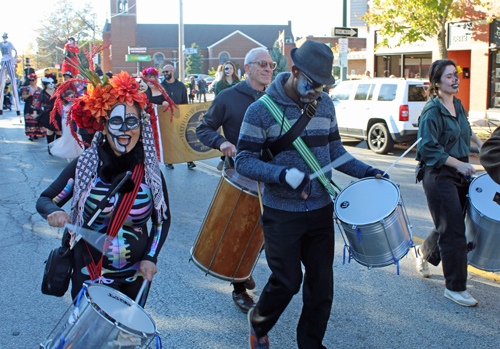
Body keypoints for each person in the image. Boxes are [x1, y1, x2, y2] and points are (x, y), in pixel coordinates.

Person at [235, 40, 387, 349]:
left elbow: (336, 153)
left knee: (321, 288)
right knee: (288, 281)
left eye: (322, 85)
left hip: (319, 210)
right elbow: (243, 160)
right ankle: (259, 321)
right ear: (294, 71)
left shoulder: (325, 105)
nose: (316, 90)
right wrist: (281, 174)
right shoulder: (260, 111)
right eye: (312, 83)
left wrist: (368, 172)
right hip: (281, 213)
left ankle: (311, 344)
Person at [36, 69, 171, 304]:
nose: (124, 129)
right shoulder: (84, 166)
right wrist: (54, 212)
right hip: (89, 270)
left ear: (141, 126)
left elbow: (162, 220)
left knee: (125, 336)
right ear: (105, 125)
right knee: (88, 336)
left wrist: (151, 257)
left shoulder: (151, 173)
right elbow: (46, 199)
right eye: (116, 121)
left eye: (131, 121)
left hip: (134, 275)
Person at [196, 47, 274, 313]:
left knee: (267, 234)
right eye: (262, 64)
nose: (268, 69)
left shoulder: (276, 98)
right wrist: (223, 143)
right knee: (240, 232)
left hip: (272, 177)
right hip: (241, 178)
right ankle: (239, 287)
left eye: (271, 65)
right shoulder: (228, 97)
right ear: (248, 68)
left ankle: (245, 267)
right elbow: (203, 128)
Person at [414, 59, 483, 307]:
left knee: (448, 222)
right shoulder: (432, 112)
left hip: (460, 171)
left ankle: (422, 253)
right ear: (437, 82)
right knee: (454, 231)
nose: (456, 79)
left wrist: (479, 144)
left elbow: (465, 127)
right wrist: (459, 164)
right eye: (450, 76)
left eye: (457, 75)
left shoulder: (457, 103)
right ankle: (455, 288)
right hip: (439, 173)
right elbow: (428, 149)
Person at [160, 64, 195, 169]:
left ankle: (189, 161)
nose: (165, 74)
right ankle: (169, 161)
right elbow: (158, 101)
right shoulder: (160, 86)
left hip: (179, 115)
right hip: (166, 116)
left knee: (184, 138)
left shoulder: (181, 85)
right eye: (164, 72)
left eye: (167, 71)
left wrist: (186, 113)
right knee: (169, 140)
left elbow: (185, 102)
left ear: (172, 72)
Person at [142, 67, 174, 161]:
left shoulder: (161, 91)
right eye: (148, 79)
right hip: (148, 123)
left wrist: (166, 103)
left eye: (153, 78)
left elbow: (170, 103)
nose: (151, 81)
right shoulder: (143, 92)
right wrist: (155, 105)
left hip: (161, 123)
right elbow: (142, 106)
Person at [48, 90, 83, 159]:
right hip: (66, 124)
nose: (70, 99)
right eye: (69, 97)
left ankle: (76, 153)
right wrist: (62, 127)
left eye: (72, 97)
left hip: (75, 123)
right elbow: (62, 117)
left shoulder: (77, 105)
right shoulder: (63, 106)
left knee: (75, 138)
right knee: (68, 138)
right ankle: (69, 154)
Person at [36, 74, 62, 154]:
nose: (51, 84)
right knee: (50, 130)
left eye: (52, 82)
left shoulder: (58, 91)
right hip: (47, 114)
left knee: (58, 131)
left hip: (57, 113)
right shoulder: (43, 93)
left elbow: (63, 100)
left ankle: (57, 148)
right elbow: (38, 103)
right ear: (45, 84)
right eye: (48, 83)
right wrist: (35, 112)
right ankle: (50, 148)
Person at [0, 33, 21, 116]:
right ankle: (1, 107)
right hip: (3, 61)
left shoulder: (10, 44)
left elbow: (15, 51)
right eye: (4, 37)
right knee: (1, 84)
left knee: (13, 83)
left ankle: (17, 108)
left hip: (9, 60)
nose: (5, 38)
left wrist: (14, 58)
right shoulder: (1, 44)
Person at [20, 73, 45, 141]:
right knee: (30, 121)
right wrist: (29, 95)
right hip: (29, 107)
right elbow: (22, 97)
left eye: (33, 80)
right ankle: (30, 134)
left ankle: (36, 133)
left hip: (38, 107)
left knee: (37, 120)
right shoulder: (26, 88)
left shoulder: (40, 89)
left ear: (36, 80)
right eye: (30, 80)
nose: (31, 81)